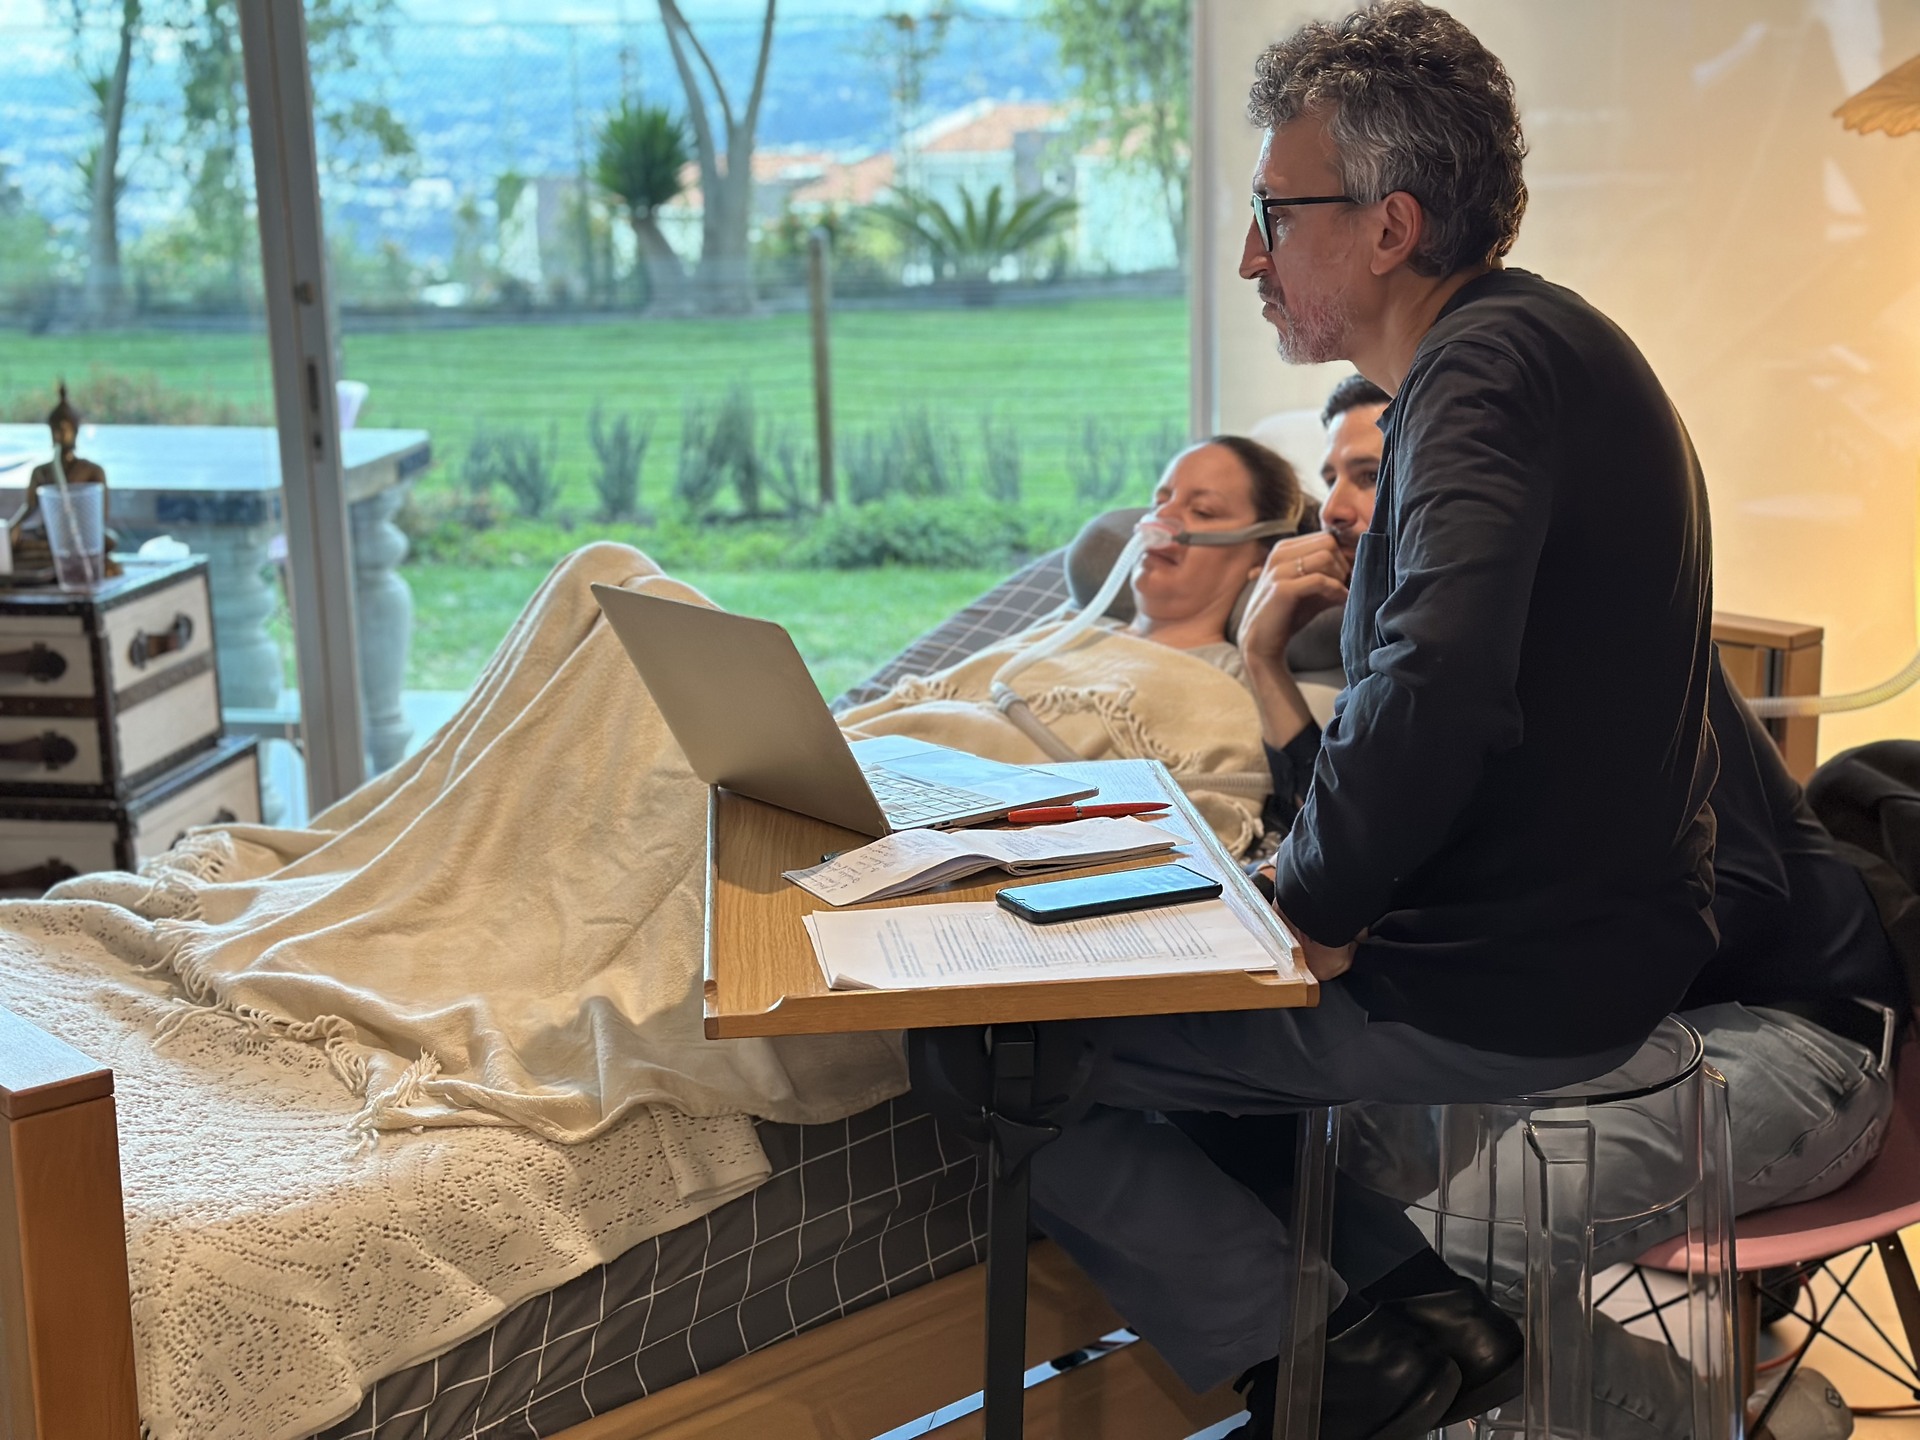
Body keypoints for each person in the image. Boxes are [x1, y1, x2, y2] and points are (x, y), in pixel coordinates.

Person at [909, 7, 1720, 1439]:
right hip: (1557, 949)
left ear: (1391, 226)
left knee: (988, 1049)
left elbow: (1435, 681)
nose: (1249, 255)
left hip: (1506, 979)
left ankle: (1329, 1367)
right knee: (1141, 1004)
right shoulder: (1539, 350)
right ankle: (1423, 1313)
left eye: (1275, 214)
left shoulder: (1480, 374)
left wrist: (1315, 907)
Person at [1238, 373, 1908, 1440]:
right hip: (1606, 1041)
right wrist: (1265, 664)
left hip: (1790, 1040)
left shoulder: (1607, 646)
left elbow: (1738, 896)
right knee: (1332, 1176)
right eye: (1332, 481)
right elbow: (1349, 863)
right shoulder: (1413, 671)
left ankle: (1740, 1420)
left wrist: (1494, 964)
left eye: (1370, 474)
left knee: (1453, 1258)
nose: (1340, 508)